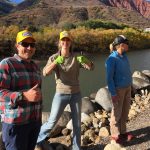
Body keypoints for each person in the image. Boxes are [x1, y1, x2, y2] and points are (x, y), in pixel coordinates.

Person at [36, 30, 94, 150]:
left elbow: (91, 68)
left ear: (70, 42)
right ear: (59, 42)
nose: (65, 42)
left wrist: (85, 61)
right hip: (61, 94)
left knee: (77, 123)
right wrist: (56, 62)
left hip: (76, 94)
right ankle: (37, 139)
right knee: (52, 121)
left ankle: (76, 147)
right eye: (63, 40)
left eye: (68, 40)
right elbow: (45, 72)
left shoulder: (77, 57)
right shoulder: (54, 57)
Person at [0, 30, 42, 150]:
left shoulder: (35, 67)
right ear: (17, 45)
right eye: (25, 44)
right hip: (15, 124)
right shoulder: (7, 64)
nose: (29, 48)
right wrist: (23, 96)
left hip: (34, 123)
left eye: (32, 45)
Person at [105, 35, 134, 144]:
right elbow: (109, 78)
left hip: (127, 88)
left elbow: (127, 71)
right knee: (116, 113)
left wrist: (131, 86)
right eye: (127, 43)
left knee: (125, 111)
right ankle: (115, 135)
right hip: (118, 90)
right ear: (121, 45)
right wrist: (113, 93)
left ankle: (123, 132)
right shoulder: (111, 59)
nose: (128, 45)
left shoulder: (124, 56)